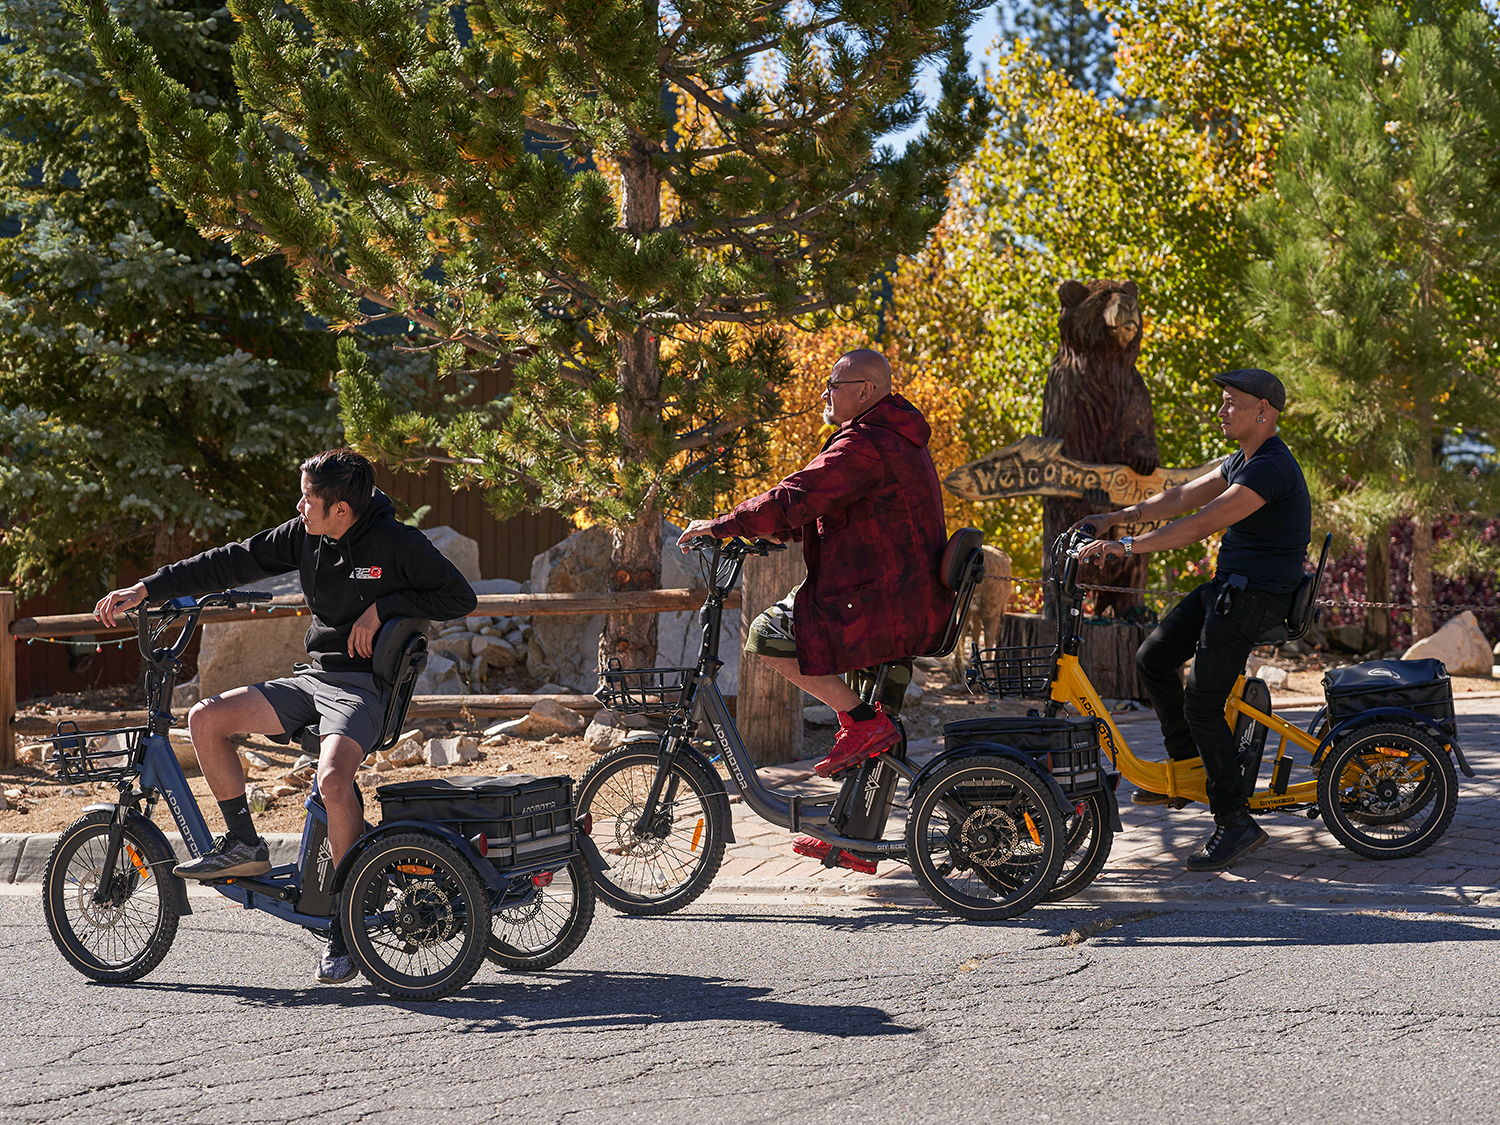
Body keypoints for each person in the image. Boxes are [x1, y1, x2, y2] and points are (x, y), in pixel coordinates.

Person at [94, 449, 477, 981]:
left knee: (334, 781)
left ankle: (347, 923)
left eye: (309, 499)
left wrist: (385, 607)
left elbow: (460, 596)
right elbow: (229, 559)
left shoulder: (397, 542)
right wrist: (147, 589)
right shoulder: (306, 534)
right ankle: (244, 843)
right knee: (205, 719)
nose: (299, 507)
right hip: (314, 678)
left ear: (341, 509)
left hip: (364, 688)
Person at [677, 349, 951, 783]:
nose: (825, 393)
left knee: (766, 634)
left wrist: (721, 526)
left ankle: (863, 722)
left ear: (865, 390)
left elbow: (797, 496)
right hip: (904, 603)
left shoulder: (867, 443)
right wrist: (781, 530)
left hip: (879, 605)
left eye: (833, 386)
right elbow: (853, 513)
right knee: (879, 743)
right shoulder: (896, 436)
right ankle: (852, 845)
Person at [1075, 369, 1311, 871]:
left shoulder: (1271, 467)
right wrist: (1118, 517)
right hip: (1231, 590)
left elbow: (1202, 522)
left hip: (1255, 598)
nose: (1221, 411)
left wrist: (1125, 546)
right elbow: (1182, 497)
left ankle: (1234, 820)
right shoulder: (1242, 459)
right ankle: (1188, 769)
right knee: (1154, 657)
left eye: (1231, 403)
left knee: (1203, 703)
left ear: (1263, 411)